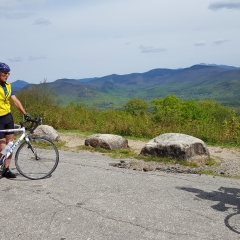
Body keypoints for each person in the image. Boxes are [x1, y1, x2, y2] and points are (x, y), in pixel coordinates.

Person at [0, 62, 30, 178]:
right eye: (4, 73)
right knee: (3, 147)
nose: (7, 75)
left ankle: (6, 169)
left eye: (8, 73)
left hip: (8, 117)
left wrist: (25, 113)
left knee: (10, 145)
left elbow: (15, 101)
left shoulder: (8, 86)